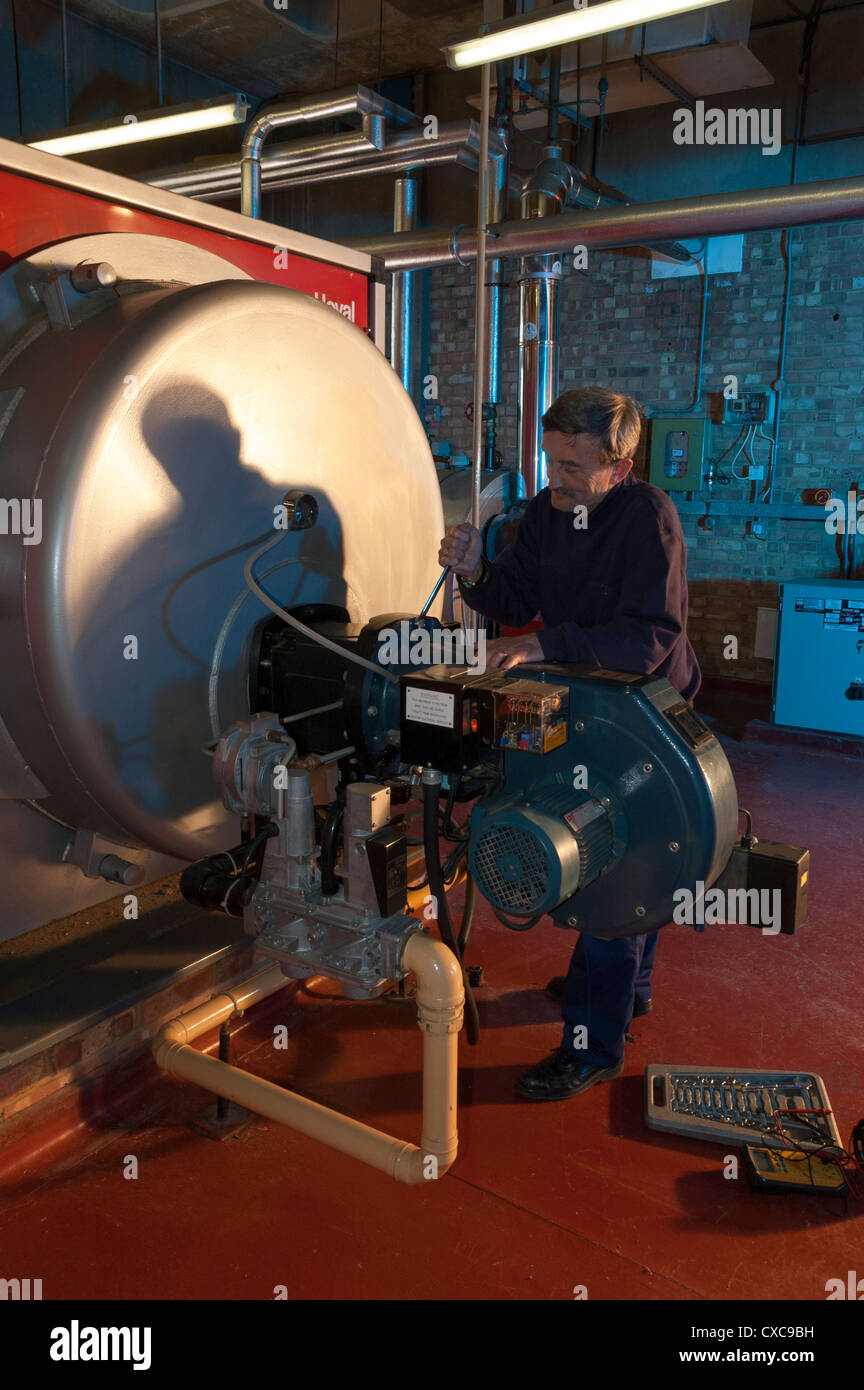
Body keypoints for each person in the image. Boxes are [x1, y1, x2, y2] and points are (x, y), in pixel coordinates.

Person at [437, 385, 700, 1101]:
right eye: (551, 462)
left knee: (619, 871)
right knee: (628, 859)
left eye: (574, 469)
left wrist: (543, 645)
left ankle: (592, 1046)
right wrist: (475, 572)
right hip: (588, 700)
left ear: (621, 466)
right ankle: (628, 989)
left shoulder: (650, 518)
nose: (557, 481)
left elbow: (652, 637)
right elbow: (513, 599)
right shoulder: (546, 515)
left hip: (648, 706)